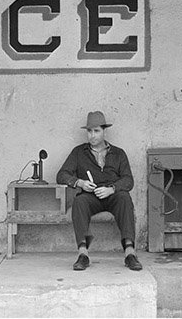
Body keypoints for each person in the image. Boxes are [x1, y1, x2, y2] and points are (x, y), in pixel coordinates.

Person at [56, 110, 142, 272]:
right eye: (89, 131)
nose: (92, 136)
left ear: (104, 131)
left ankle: (130, 253)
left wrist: (111, 189)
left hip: (113, 195)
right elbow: (61, 175)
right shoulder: (79, 152)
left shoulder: (118, 153)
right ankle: (83, 254)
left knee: (124, 198)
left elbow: (128, 180)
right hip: (91, 197)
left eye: (96, 131)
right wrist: (79, 182)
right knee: (79, 201)